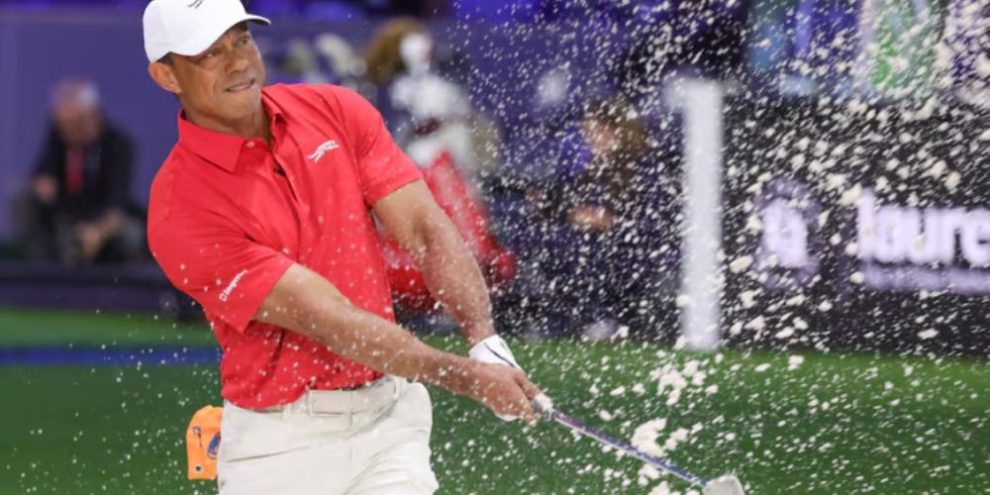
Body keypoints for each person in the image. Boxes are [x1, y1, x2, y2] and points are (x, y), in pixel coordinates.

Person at [140, 1, 544, 493]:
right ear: (166, 75)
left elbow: (422, 227)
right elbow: (328, 319)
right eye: (209, 54)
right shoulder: (179, 208)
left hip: (389, 422)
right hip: (280, 446)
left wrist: (484, 340)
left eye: (242, 40)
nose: (239, 62)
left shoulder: (334, 110)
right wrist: (467, 378)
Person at [527, 96, 680, 340]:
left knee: (585, 250)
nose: (590, 139)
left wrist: (607, 222)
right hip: (593, 243)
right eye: (587, 132)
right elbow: (570, 207)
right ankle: (562, 321)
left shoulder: (643, 169)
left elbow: (649, 221)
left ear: (615, 130)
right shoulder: (591, 167)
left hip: (633, 250)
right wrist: (549, 207)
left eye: (595, 131)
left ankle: (598, 320)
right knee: (550, 240)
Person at [15, 79, 144, 265]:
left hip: (104, 219)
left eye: (75, 124)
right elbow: (41, 174)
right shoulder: (59, 136)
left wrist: (97, 231)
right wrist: (42, 185)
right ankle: (38, 275)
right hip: (67, 214)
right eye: (63, 125)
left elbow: (117, 202)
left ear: (94, 117)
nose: (68, 132)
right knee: (26, 201)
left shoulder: (118, 144)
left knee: (130, 233)